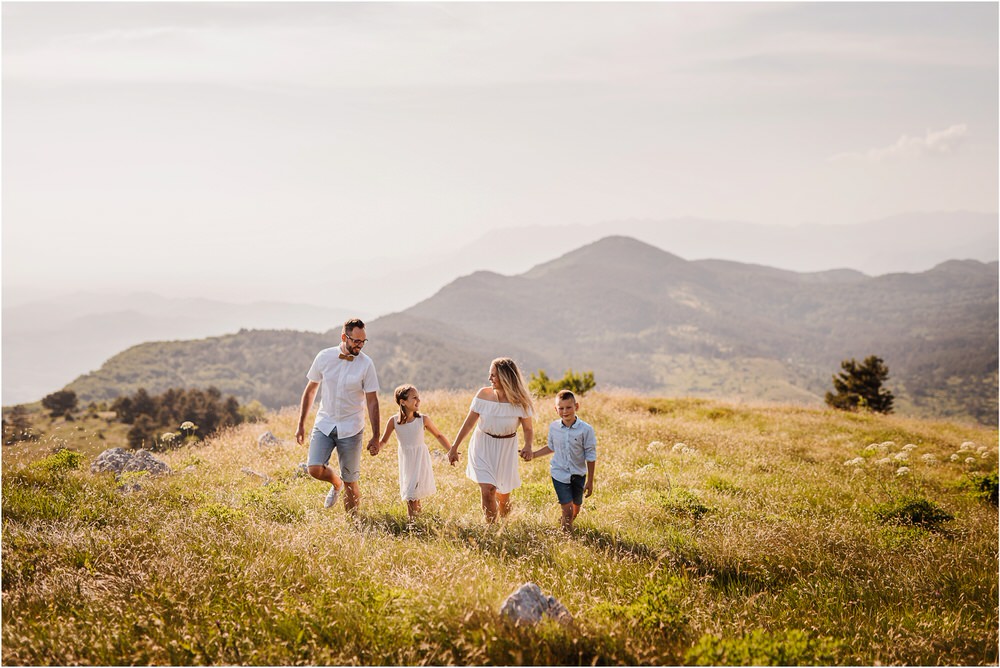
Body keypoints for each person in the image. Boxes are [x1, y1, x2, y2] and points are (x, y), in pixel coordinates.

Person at [295, 318, 380, 513]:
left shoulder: (366, 364)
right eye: (356, 341)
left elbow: (373, 401)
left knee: (351, 481)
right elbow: (310, 391)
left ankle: (353, 524)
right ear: (344, 337)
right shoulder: (324, 357)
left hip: (351, 428)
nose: (360, 346)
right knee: (314, 468)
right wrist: (301, 424)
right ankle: (336, 483)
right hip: (325, 423)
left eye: (363, 341)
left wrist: (376, 436)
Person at [448, 357, 534, 523]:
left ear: (505, 377)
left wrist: (528, 446)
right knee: (488, 490)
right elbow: (468, 424)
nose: (490, 379)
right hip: (483, 445)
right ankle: (492, 530)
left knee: (503, 496)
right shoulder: (483, 395)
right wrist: (454, 447)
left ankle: (504, 527)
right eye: (490, 375)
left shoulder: (521, 401)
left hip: (506, 448)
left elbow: (528, 428)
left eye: (493, 375)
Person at [374, 384, 455, 520]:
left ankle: (415, 522)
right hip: (407, 461)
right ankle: (416, 522)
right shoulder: (394, 421)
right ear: (403, 402)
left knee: (414, 494)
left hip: (420, 459)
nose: (418, 400)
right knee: (412, 495)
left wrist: (451, 451)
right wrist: (377, 448)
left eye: (419, 397)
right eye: (414, 397)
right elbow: (383, 441)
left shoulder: (422, 419)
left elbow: (439, 435)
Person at [526, 389, 597, 533]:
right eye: (561, 408)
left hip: (578, 474)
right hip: (559, 474)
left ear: (576, 407)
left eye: (569, 407)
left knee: (575, 509)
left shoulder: (586, 430)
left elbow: (590, 455)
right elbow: (551, 447)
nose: (565, 411)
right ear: (556, 409)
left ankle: (565, 521)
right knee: (568, 509)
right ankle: (567, 538)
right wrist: (533, 455)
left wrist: (590, 480)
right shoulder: (554, 427)